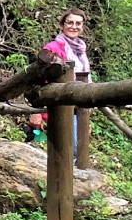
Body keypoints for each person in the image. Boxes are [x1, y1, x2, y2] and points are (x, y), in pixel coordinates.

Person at [35, 8, 91, 156]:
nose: (74, 26)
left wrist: (86, 117)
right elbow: (39, 80)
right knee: (69, 151)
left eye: (78, 23)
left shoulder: (81, 51)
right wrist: (38, 112)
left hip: (78, 109)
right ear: (62, 25)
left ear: (83, 26)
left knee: (77, 152)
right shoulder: (52, 48)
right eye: (70, 22)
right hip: (58, 106)